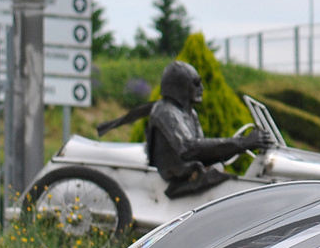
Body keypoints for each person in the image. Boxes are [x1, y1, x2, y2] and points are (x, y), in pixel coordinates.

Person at [97, 60, 273, 198]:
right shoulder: (166, 112)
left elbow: (201, 150)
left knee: (221, 169)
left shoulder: (189, 113)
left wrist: (240, 146)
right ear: (179, 86)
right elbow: (188, 148)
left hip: (188, 172)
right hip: (174, 178)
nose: (201, 88)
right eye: (195, 83)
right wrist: (242, 143)